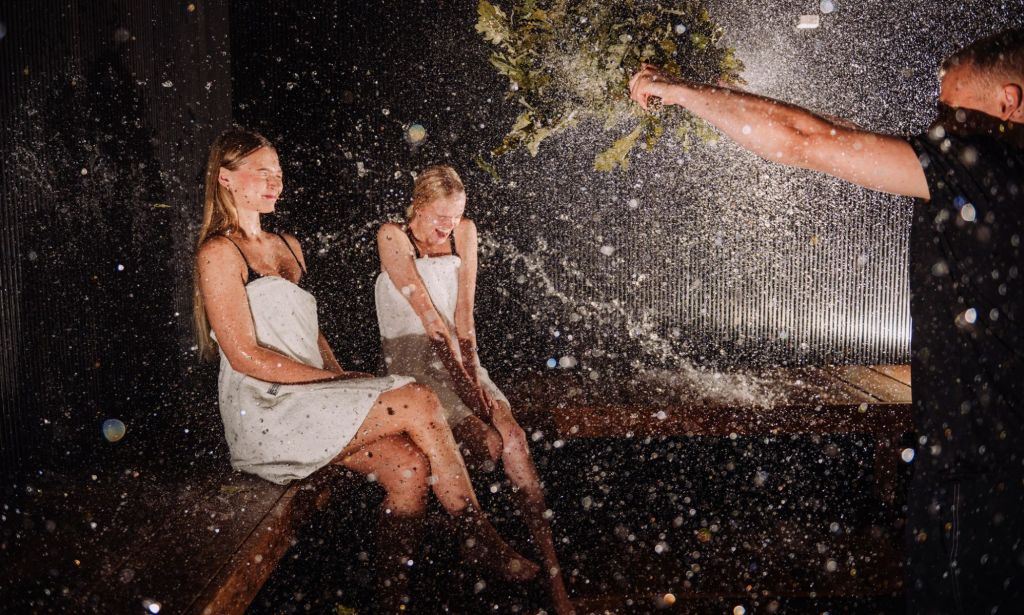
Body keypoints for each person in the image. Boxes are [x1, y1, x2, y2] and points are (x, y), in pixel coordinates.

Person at [628, 28, 1024, 614]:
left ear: (1009, 102)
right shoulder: (995, 172)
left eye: (949, 108)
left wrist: (674, 90)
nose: (940, 124)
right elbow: (842, 138)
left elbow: (804, 140)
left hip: (981, 479)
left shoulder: (988, 165)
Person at [193, 130, 538, 613]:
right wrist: (335, 383)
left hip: (310, 397)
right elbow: (244, 355)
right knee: (418, 396)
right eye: (262, 173)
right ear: (226, 179)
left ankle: (390, 599)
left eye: (279, 173)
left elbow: (311, 337)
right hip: (266, 408)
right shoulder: (218, 253)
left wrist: (342, 378)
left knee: (409, 468)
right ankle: (474, 535)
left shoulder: (288, 246)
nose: (275, 183)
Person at [374, 165, 573, 614]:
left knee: (514, 441)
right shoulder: (393, 236)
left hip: (463, 359)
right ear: (419, 206)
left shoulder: (465, 232)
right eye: (441, 216)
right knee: (484, 441)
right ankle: (471, 543)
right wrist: (470, 397)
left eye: (456, 214)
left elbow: (463, 319)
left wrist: (482, 388)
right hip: (414, 369)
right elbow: (431, 321)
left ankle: (556, 579)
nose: (448, 225)